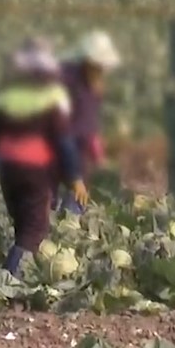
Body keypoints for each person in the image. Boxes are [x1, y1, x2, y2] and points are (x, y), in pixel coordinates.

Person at [0, 39, 89, 276]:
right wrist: (74, 177)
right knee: (34, 230)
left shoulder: (6, 96)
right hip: (36, 170)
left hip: (8, 169)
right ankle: (9, 278)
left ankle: (18, 271)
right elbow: (63, 142)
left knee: (22, 223)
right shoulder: (52, 96)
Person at [54, 30, 121, 214]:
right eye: (98, 66)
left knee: (73, 212)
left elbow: (89, 130)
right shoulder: (67, 84)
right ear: (88, 62)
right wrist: (75, 179)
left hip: (76, 163)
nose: (102, 71)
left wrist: (98, 156)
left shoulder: (93, 87)